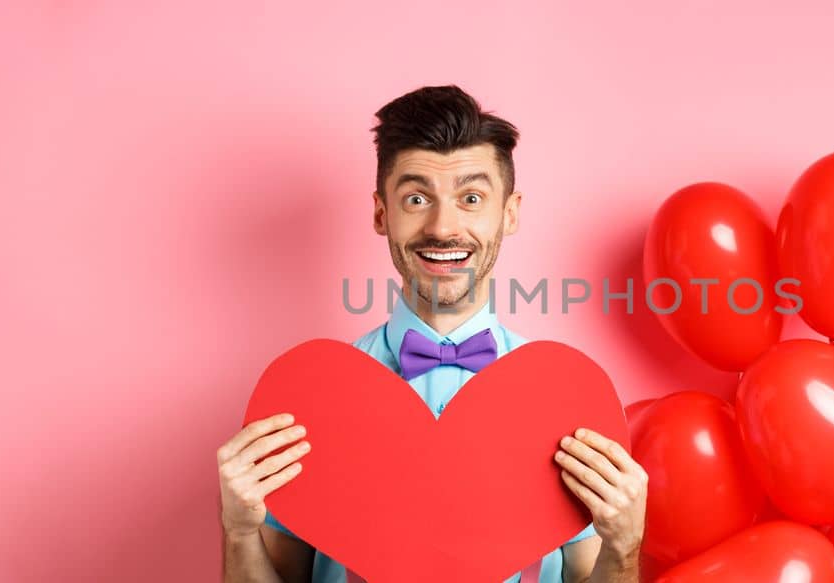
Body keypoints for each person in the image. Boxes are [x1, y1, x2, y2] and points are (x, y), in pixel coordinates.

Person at [216, 85, 648, 583]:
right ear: (383, 214)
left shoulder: (565, 397)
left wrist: (626, 547)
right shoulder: (311, 397)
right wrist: (238, 531)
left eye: (471, 198)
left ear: (509, 213)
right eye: (417, 198)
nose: (444, 227)